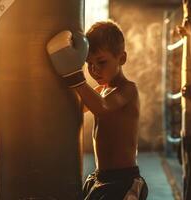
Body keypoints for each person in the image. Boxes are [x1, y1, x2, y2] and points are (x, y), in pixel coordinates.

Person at [46, 20, 148, 200]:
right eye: (89, 63)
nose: (94, 70)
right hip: (99, 177)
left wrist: (73, 75)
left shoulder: (128, 90)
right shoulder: (101, 91)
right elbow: (76, 109)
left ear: (121, 59)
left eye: (101, 62)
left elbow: (103, 107)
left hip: (123, 180)